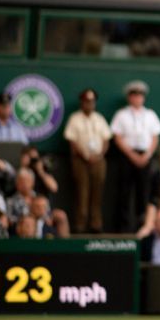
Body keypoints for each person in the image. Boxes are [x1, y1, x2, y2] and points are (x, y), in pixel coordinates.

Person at [111, 80, 160, 233]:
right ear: (129, 97)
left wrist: (147, 155)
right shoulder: (121, 114)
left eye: (140, 95)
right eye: (134, 95)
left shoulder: (150, 114)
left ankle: (142, 225)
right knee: (124, 192)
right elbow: (118, 137)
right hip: (127, 157)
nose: (137, 98)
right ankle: (123, 228)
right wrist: (132, 155)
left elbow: (155, 137)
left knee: (144, 192)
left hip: (145, 157)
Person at [63, 87, 112, 233]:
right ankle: (80, 225)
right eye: (86, 102)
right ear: (81, 103)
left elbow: (106, 140)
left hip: (98, 160)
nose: (89, 105)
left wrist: (99, 155)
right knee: (82, 193)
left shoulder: (99, 118)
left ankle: (96, 225)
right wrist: (85, 155)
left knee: (97, 193)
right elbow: (72, 140)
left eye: (91, 102)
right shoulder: (74, 118)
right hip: (80, 160)